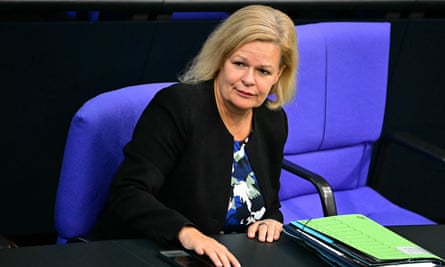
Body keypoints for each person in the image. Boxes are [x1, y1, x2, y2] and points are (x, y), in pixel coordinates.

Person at [94, 4, 298, 267]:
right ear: (220, 59)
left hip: (237, 256)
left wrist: (271, 220)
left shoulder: (272, 119)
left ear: (278, 74)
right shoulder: (177, 107)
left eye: (263, 71)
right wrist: (186, 233)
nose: (249, 80)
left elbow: (269, 201)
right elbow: (128, 191)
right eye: (239, 64)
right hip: (160, 251)